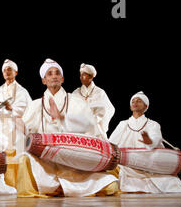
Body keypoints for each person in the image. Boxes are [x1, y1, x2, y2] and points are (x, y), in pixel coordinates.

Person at [17, 59, 118, 197]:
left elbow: (89, 127)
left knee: (111, 187)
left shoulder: (77, 101)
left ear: (62, 78)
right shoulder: (35, 106)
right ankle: (54, 186)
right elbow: (27, 134)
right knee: (24, 160)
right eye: (49, 74)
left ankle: (60, 188)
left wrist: (62, 118)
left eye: (57, 73)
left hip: (74, 162)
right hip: (47, 161)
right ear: (44, 80)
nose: (54, 76)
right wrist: (20, 127)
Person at [109, 91, 181, 193]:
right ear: (130, 107)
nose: (135, 103)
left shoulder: (153, 124)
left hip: (148, 164)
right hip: (125, 164)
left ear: (145, 106)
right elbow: (111, 142)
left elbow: (156, 138)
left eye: (139, 101)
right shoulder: (123, 124)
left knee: (169, 182)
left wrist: (149, 142)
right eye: (133, 101)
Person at [0, 59, 32, 188]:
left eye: (9, 69)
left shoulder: (22, 91)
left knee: (19, 144)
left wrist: (11, 108)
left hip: (15, 125)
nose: (7, 72)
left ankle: (19, 182)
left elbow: (26, 108)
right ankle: (1, 183)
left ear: (16, 72)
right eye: (5, 70)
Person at [72, 63, 115, 139]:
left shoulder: (99, 92)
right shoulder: (76, 92)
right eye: (80, 75)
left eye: (84, 75)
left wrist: (95, 119)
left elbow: (109, 109)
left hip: (95, 126)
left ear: (91, 76)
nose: (81, 77)